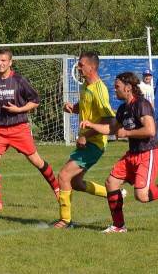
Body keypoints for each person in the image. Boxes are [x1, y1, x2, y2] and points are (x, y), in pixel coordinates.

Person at [80, 71, 158, 233]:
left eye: (117, 86)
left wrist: (126, 133)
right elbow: (111, 128)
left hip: (149, 153)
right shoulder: (123, 108)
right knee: (111, 183)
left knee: (142, 196)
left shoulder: (142, 104)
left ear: (128, 88)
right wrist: (92, 125)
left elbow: (150, 130)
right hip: (132, 154)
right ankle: (118, 226)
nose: (114, 89)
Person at [0, 48, 60, 210]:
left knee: (36, 161)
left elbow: (36, 100)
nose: (0, 63)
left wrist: (19, 110)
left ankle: (58, 189)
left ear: (10, 62)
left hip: (19, 127)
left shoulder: (19, 80)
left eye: (4, 60)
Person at [52, 51, 123, 229]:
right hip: (87, 142)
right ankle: (114, 193)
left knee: (63, 175)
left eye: (81, 64)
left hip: (95, 143)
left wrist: (86, 135)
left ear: (92, 67)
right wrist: (72, 108)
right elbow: (83, 107)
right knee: (75, 183)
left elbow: (108, 119)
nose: (78, 67)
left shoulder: (100, 90)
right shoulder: (86, 85)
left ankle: (65, 220)